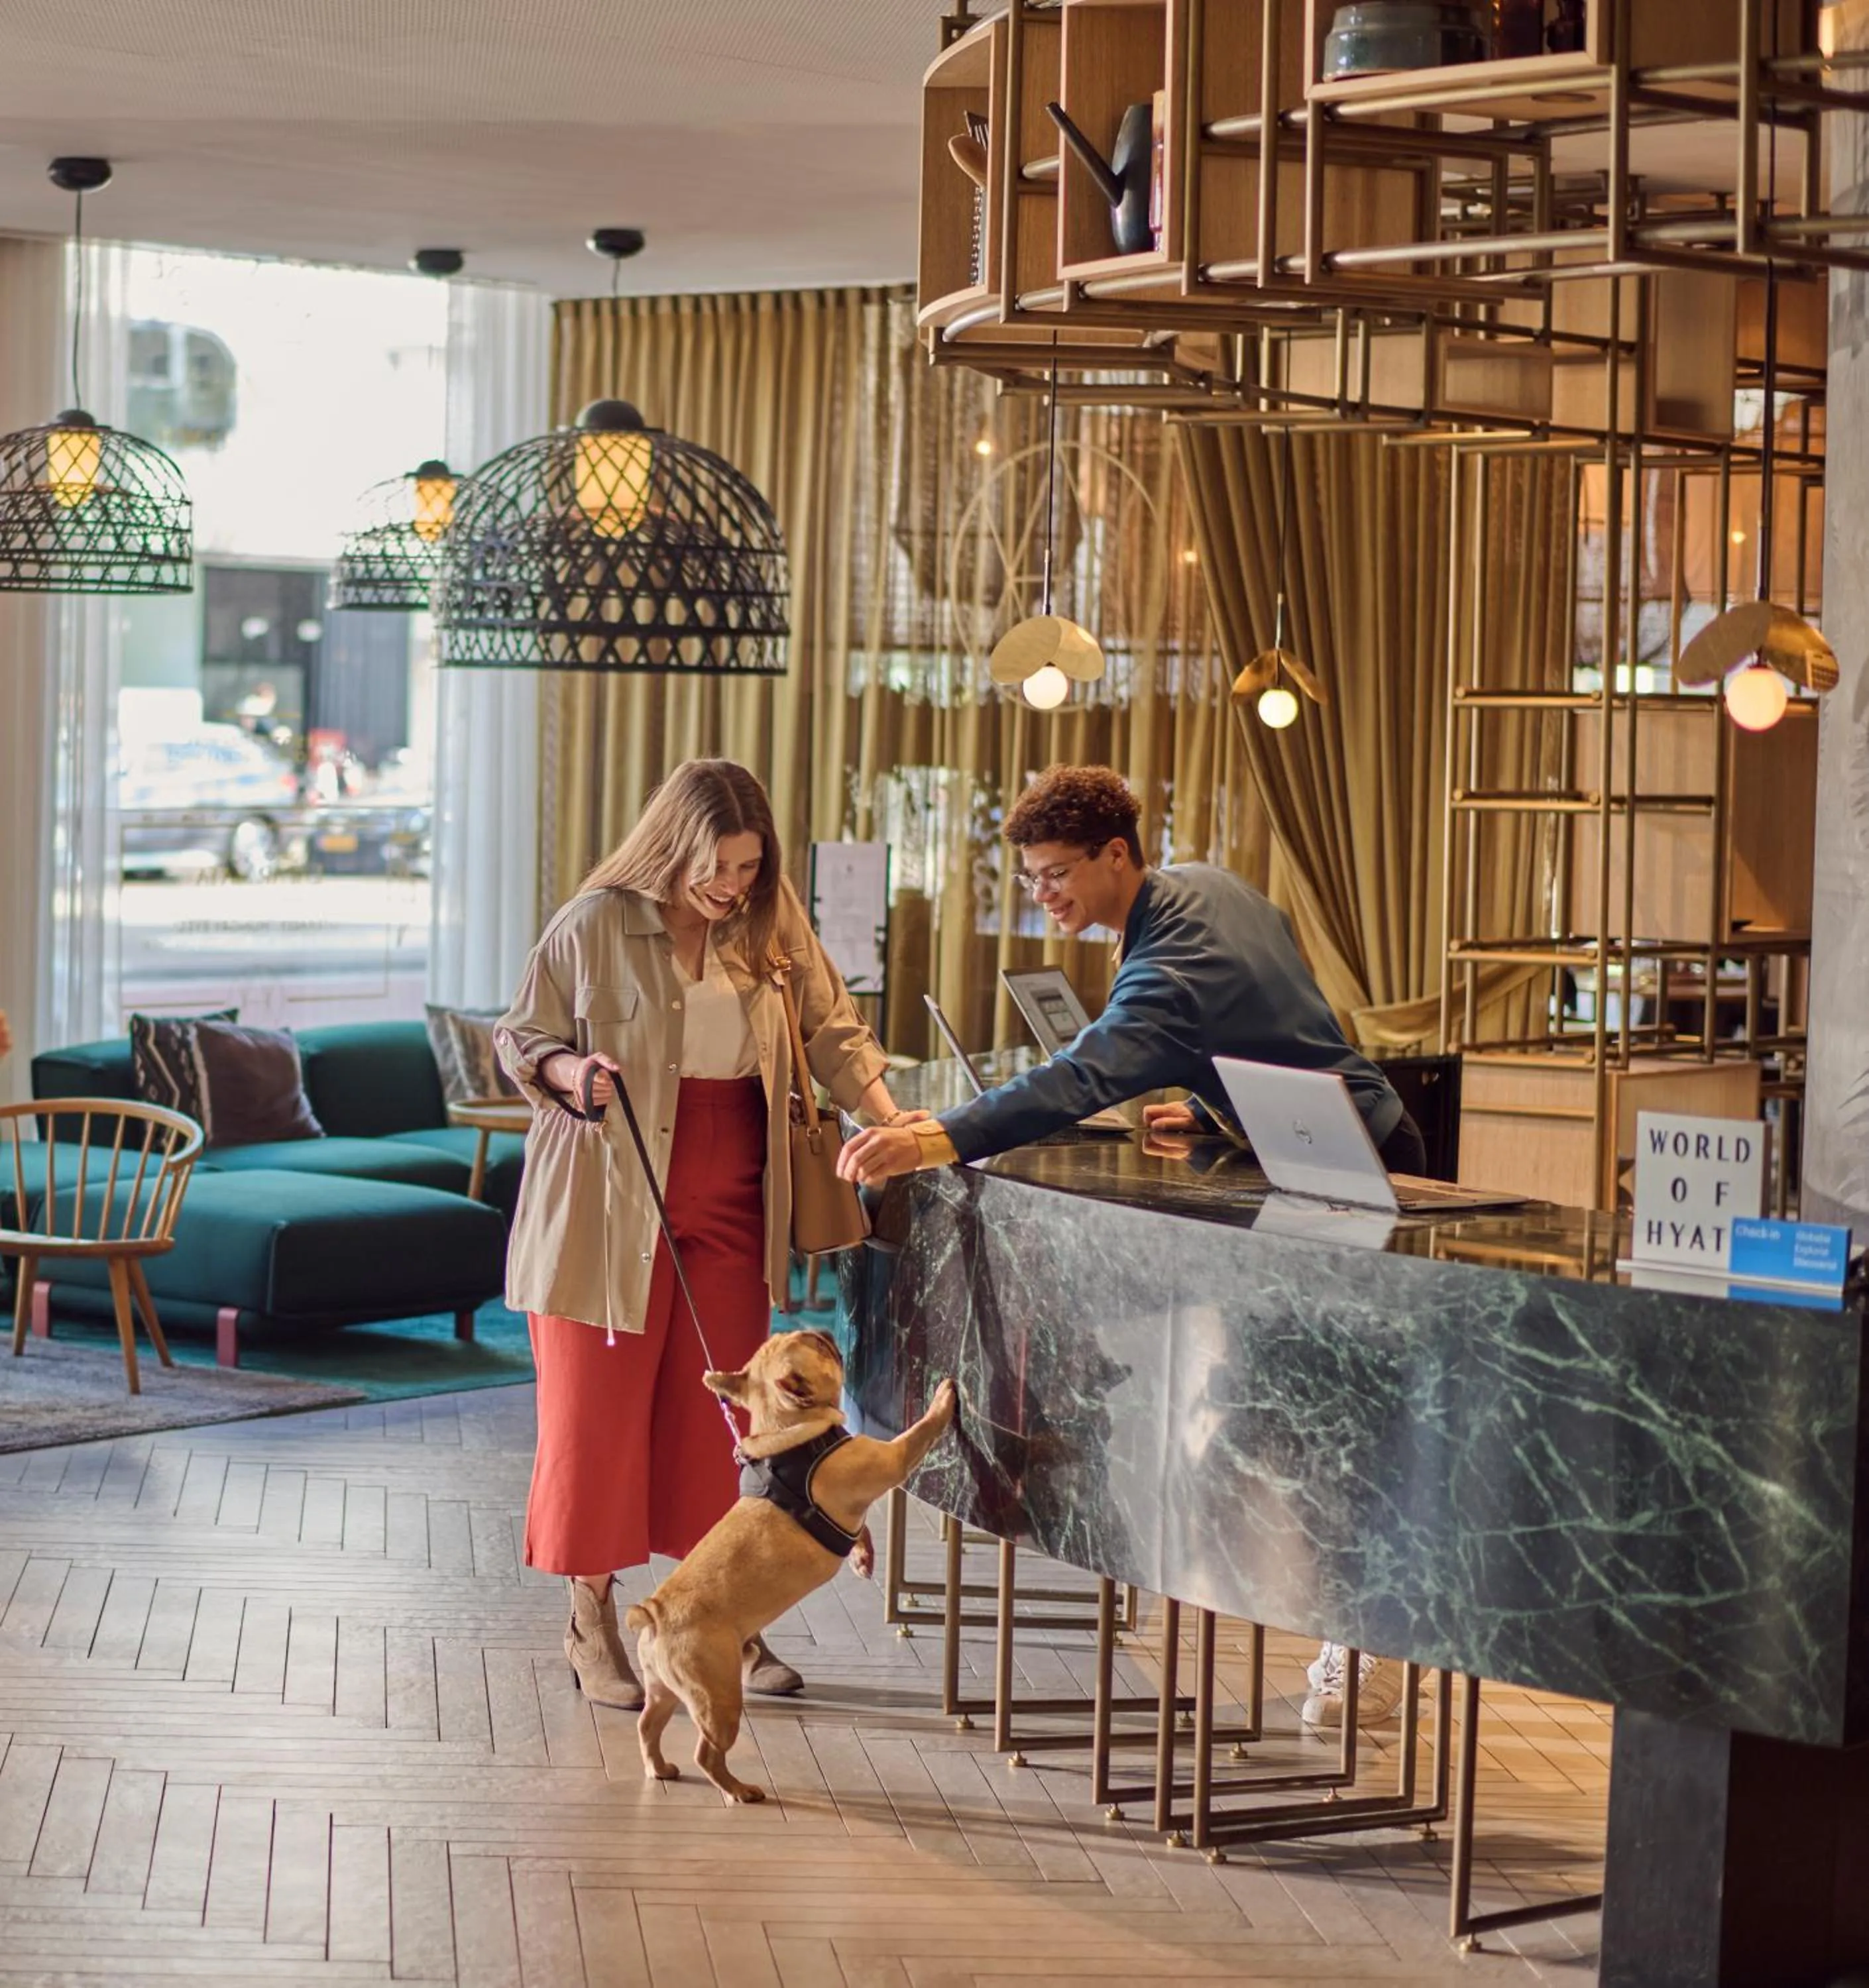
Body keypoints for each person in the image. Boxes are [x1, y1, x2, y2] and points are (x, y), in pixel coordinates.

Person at [836, 763, 1422, 1728]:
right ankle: (1357, 1632)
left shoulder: (1170, 966)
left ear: (1116, 854)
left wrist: (932, 1139)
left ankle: (1375, 1645)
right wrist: (1218, 1107)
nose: (1043, 894)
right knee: (1296, 1419)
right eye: (1029, 878)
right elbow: (1275, 1020)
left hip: (1354, 1173)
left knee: (1335, 1429)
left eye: (1057, 873)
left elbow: (1079, 1079)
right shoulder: (1207, 885)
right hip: (1319, 1146)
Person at [496, 759, 919, 1711]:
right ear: (672, 845)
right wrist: (570, 1073)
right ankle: (590, 1619)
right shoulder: (595, 923)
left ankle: (726, 1615)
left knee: (732, 1420)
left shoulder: (769, 923)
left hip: (735, 1191)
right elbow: (520, 1036)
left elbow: (835, 1032)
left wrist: (892, 1123)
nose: (731, 885)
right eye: (716, 866)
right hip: (606, 1193)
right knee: (597, 1421)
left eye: (748, 866)